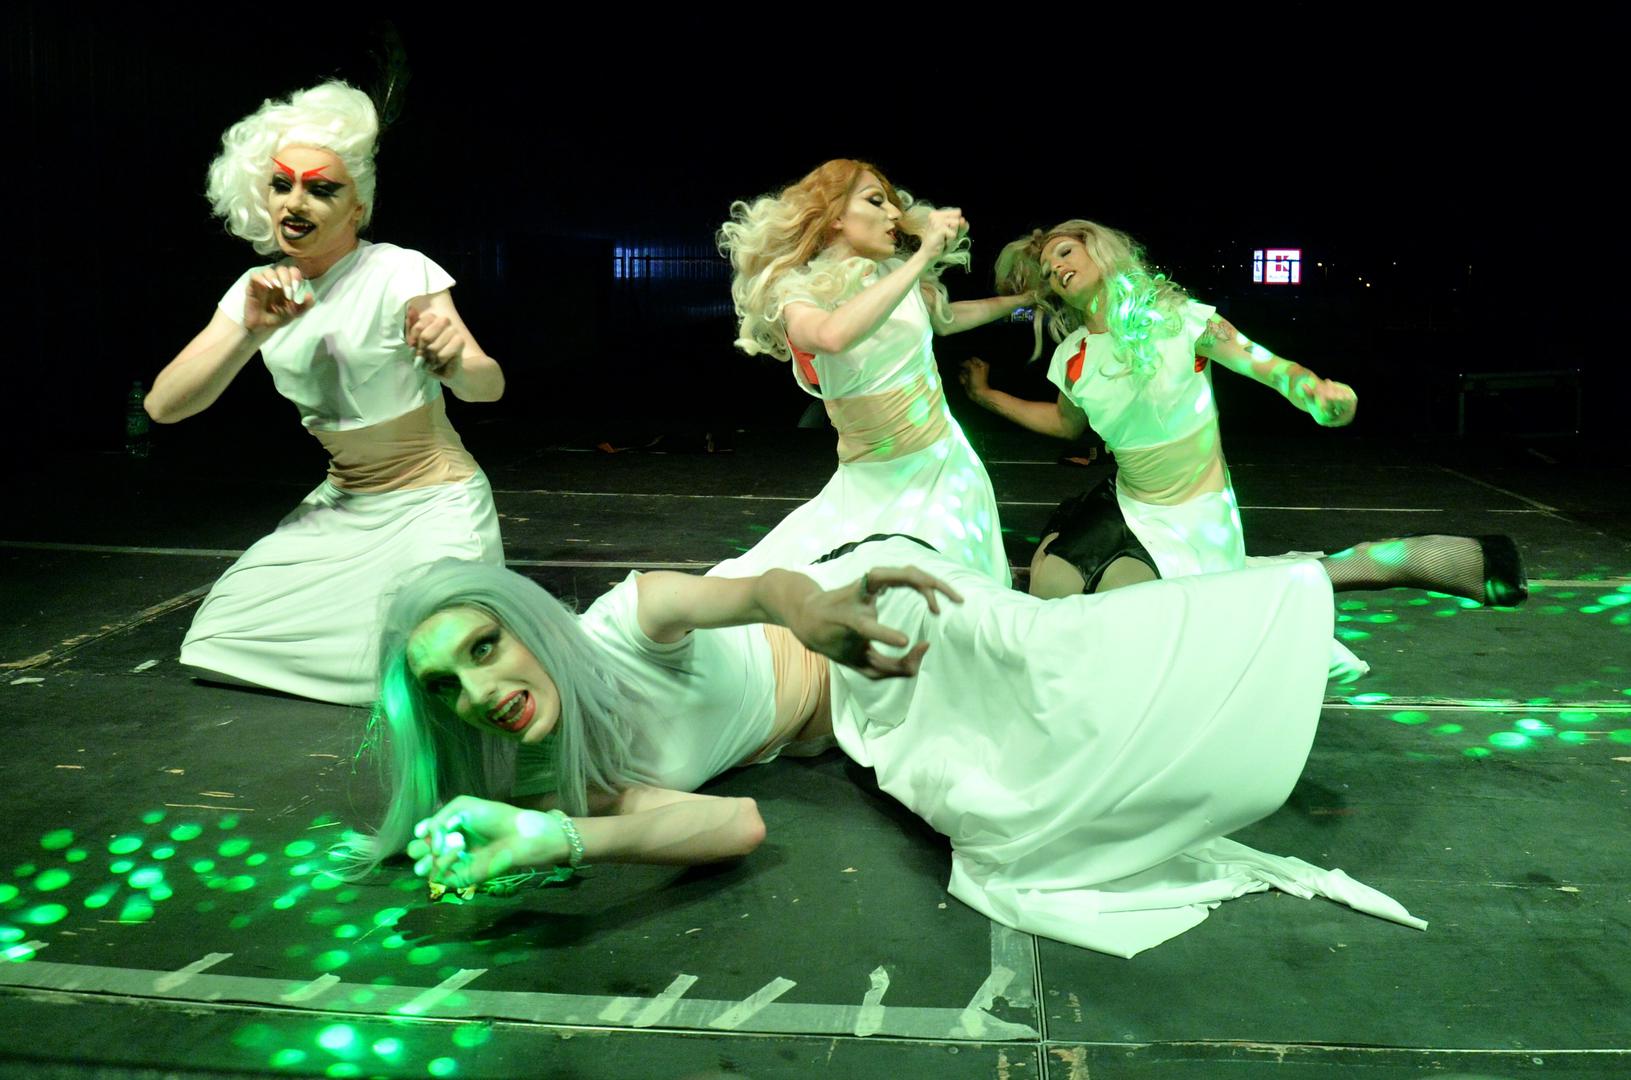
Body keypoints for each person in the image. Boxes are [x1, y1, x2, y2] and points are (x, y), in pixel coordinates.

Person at [349, 529, 1526, 958]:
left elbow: (758, 590)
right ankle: (1083, 555)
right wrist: (551, 839)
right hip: (863, 726)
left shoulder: (622, 624)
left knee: (1058, 659)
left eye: (484, 647)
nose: (480, 689)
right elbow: (734, 825)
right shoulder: (560, 777)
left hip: (869, 617)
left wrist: (810, 609)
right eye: (445, 685)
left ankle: (1368, 566)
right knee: (1012, 816)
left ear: (527, 625)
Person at [144, 81, 505, 705]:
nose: (295, 202)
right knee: (217, 639)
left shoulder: (398, 269)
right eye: (282, 185)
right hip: (342, 504)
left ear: (356, 208)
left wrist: (452, 362)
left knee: (428, 649)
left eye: (321, 189)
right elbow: (163, 406)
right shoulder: (257, 288)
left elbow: (488, 386)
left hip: (434, 502)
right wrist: (250, 333)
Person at [713, 160, 1033, 585]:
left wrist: (1024, 302)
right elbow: (830, 336)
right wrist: (921, 257)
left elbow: (946, 317)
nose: (895, 213)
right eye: (875, 201)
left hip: (944, 470)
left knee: (950, 600)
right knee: (789, 594)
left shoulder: (895, 274)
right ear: (836, 215)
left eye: (892, 203)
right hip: (867, 483)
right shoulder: (798, 290)